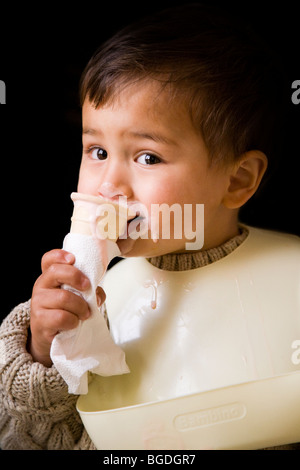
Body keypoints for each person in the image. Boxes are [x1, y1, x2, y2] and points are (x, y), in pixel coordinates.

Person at [0, 4, 299, 450]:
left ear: (236, 181)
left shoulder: (290, 281)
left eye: (147, 157)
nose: (109, 185)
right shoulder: (94, 306)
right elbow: (36, 442)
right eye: (97, 151)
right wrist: (45, 353)